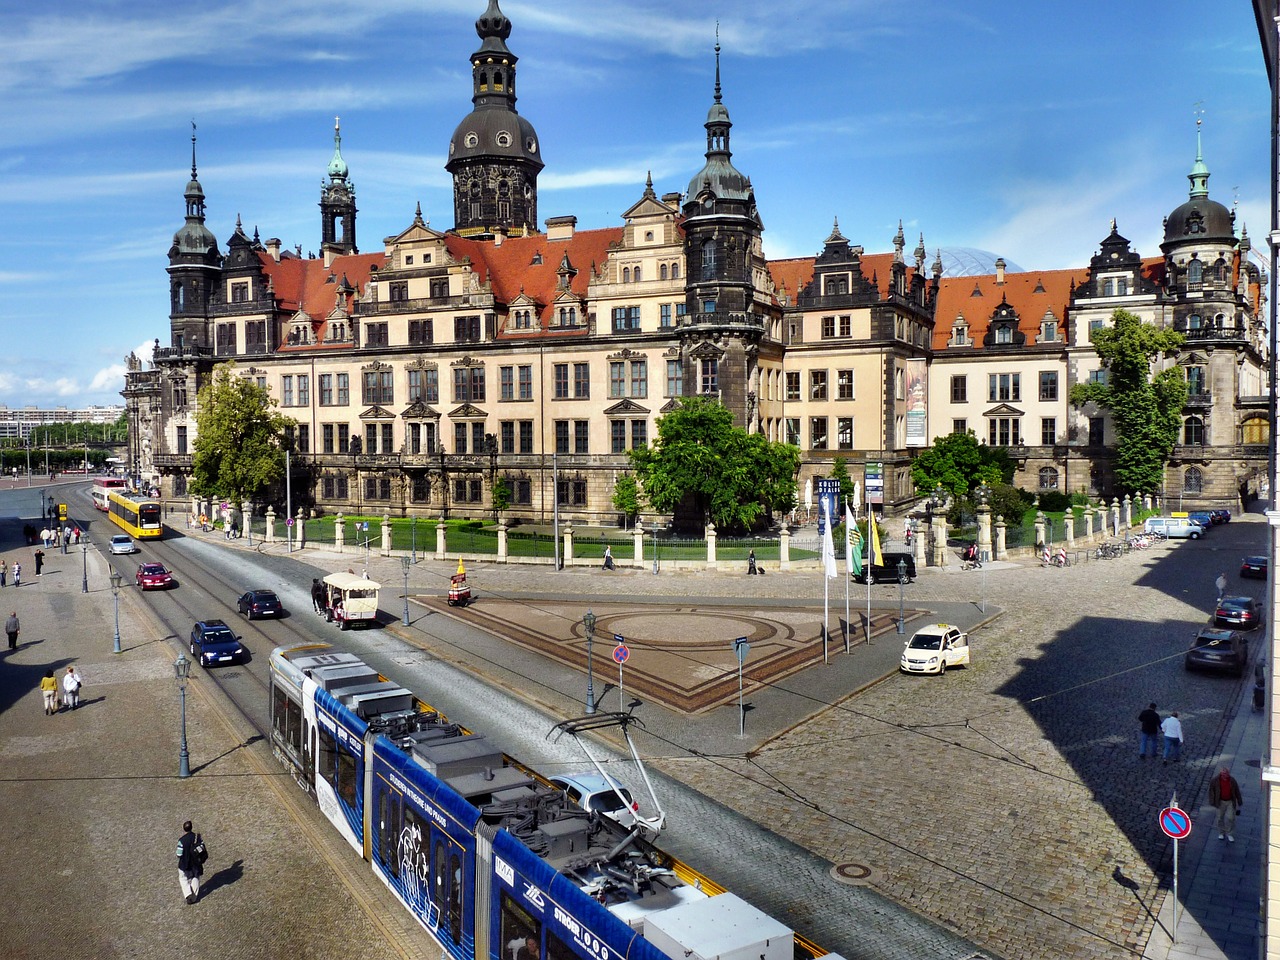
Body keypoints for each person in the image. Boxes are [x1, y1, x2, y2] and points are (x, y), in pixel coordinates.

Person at [1208, 766, 1242, 841]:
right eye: (1223, 774)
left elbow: (1237, 791)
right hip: (1220, 801)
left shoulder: (1232, 780)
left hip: (1230, 801)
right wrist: (1212, 801)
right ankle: (1221, 832)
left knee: (1231, 818)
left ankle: (1229, 833)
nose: (1224, 775)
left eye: (1226, 773)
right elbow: (1211, 791)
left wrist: (1239, 801)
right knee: (1220, 818)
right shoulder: (1215, 780)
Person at [176, 820, 204, 904]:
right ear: (191, 827)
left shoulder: (181, 840)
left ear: (184, 829)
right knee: (195, 878)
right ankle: (194, 898)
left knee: (182, 878)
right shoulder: (197, 837)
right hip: (195, 863)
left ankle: (188, 893)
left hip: (184, 864)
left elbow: (179, 854)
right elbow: (201, 847)